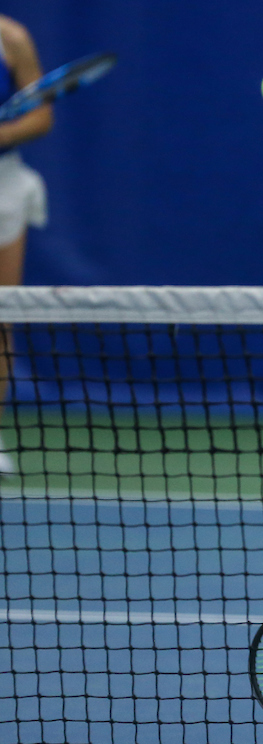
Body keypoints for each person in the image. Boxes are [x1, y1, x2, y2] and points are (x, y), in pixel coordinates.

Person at [0, 15, 52, 475]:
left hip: (4, 187)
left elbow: (41, 115)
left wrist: (2, 134)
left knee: (0, 315)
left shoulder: (12, 37)